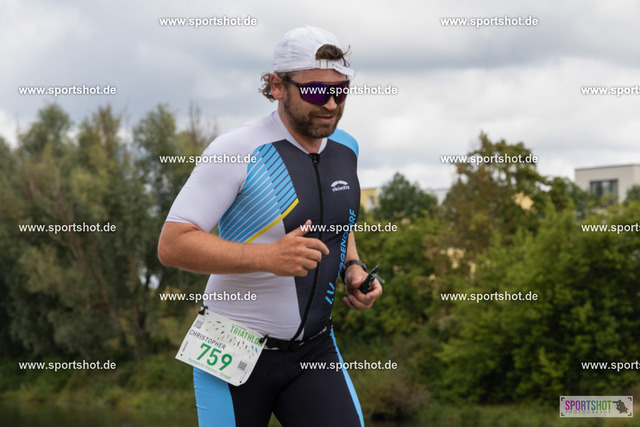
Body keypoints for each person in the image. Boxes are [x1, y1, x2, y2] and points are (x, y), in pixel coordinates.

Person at [158, 25, 383, 427]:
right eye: (317, 91)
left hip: (315, 349)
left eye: (342, 90)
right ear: (278, 86)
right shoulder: (237, 150)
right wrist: (267, 258)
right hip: (231, 343)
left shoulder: (346, 147)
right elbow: (173, 244)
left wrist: (352, 267)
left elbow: (338, 220)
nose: (331, 103)